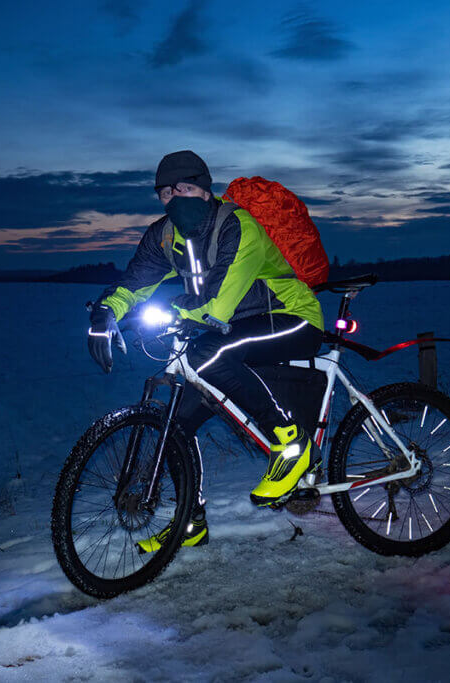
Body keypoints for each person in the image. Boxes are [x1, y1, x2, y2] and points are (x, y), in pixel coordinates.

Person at [87, 150, 324, 552]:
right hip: (223, 326)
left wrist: (177, 311)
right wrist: (106, 313)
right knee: (177, 422)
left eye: (185, 188)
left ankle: (291, 442)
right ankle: (189, 522)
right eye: (165, 192)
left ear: (205, 188)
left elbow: (218, 302)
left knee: (208, 355)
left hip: (289, 316)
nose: (174, 198)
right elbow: (135, 283)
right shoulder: (164, 235)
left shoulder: (237, 225)